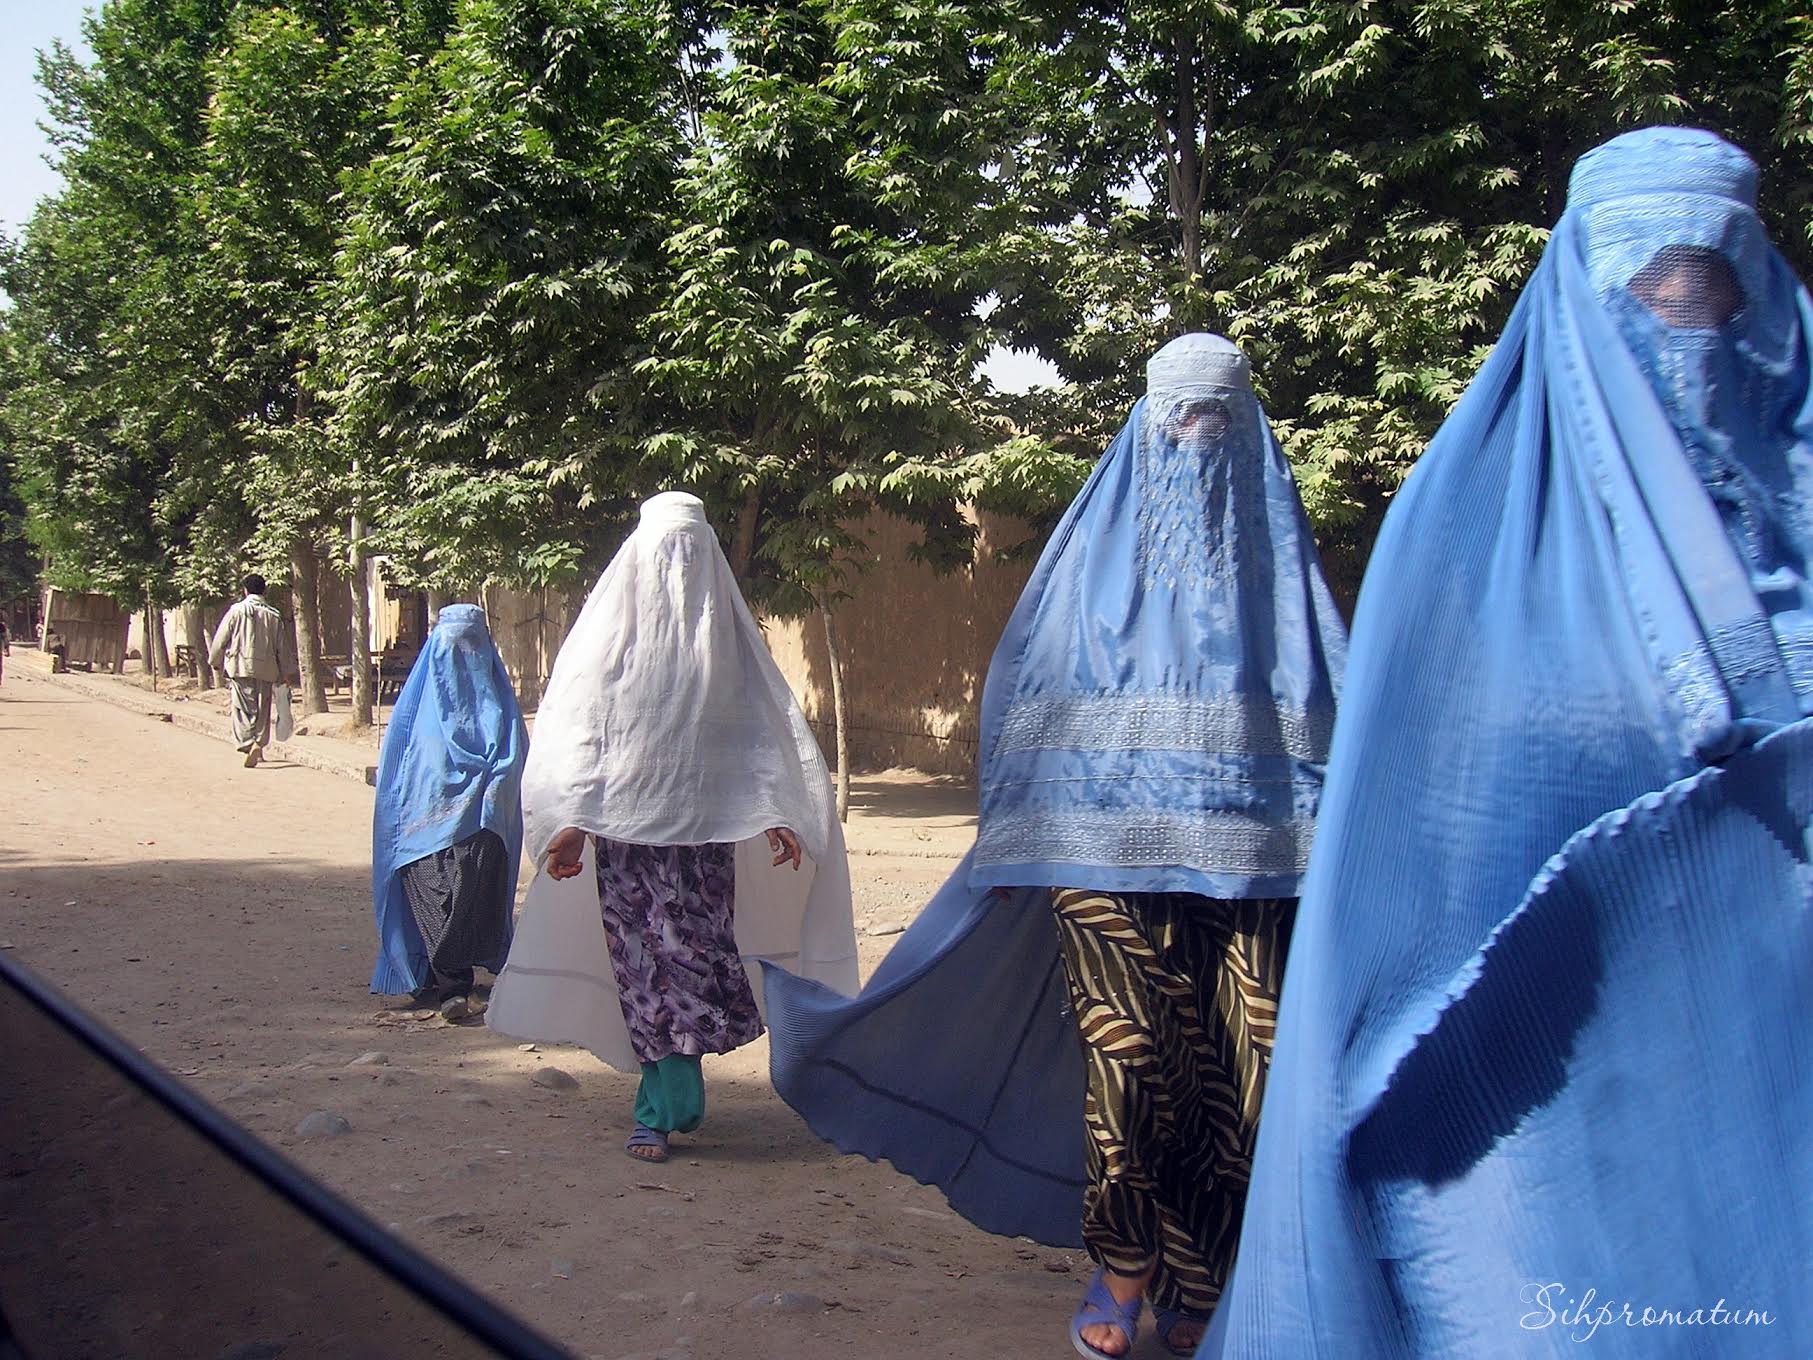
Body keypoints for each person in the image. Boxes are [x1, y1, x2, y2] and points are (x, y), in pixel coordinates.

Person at [1198, 127, 1813, 1359]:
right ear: (1576, 301)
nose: (1683, 313)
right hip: (1513, 1119)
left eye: (1715, 280)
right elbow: (1400, 853)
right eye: (1647, 285)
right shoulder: (1458, 531)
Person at [763, 334, 1347, 1358]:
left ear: (1245, 433)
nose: (1194, 442)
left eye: (1214, 421)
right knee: (1131, 1065)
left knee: (1240, 1073)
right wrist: (1014, 843)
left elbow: (1327, 722)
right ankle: (1124, 1264)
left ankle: (1202, 1275)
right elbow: (1024, 699)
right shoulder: (1084, 570)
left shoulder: (1282, 584)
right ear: (1144, 427)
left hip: (1252, 868)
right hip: (1101, 858)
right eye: (1177, 420)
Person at [486, 491, 859, 1164]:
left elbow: (759, 733)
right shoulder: (604, 642)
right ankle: (659, 1108)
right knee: (643, 971)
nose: (678, 566)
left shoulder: (727, 644)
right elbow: (579, 736)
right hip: (625, 847)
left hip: (702, 849)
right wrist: (570, 822)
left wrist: (777, 810)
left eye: (691, 548)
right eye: (665, 548)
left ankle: (668, 1096)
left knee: (689, 966)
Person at [370, 604, 528, 1016]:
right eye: (452, 646)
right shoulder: (415, 713)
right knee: (431, 894)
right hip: (425, 830)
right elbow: (396, 777)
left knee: (468, 901)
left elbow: (516, 762)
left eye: (471, 645)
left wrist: (492, 794)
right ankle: (444, 982)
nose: (462, 656)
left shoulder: (502, 710)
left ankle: (452, 982)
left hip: (481, 825)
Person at [207, 574, 299, 768]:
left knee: (242, 709)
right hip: (267, 669)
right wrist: (286, 672)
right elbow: (281, 646)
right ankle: (259, 743)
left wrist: (215, 660)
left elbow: (221, 637)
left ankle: (248, 743)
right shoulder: (273, 615)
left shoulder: (236, 610)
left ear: (245, 590)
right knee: (263, 709)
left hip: (240, 667)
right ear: (264, 591)